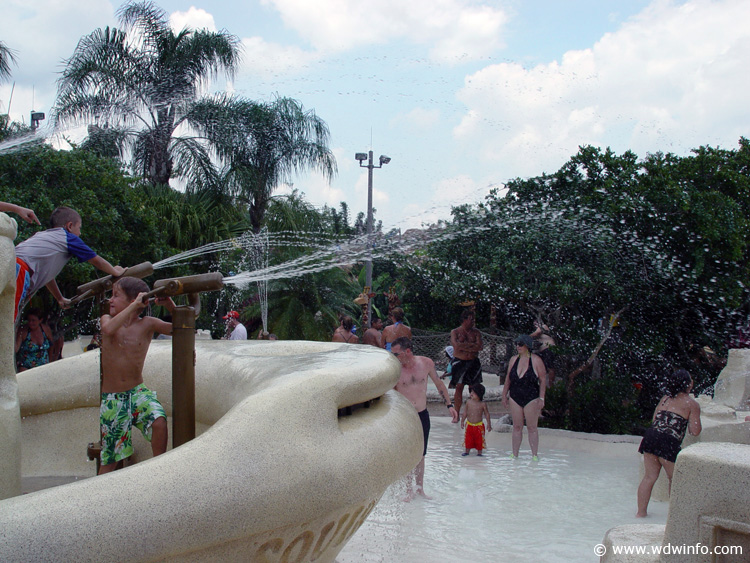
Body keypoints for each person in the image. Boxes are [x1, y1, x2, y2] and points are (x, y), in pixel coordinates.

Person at [99, 277, 175, 474]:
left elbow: (180, 328)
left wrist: (169, 305)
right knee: (110, 459)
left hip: (137, 391)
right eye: (111, 295)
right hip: (113, 399)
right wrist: (132, 308)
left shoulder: (147, 324)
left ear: (134, 301)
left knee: (158, 420)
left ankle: (158, 470)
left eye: (116, 296)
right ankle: (95, 496)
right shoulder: (107, 320)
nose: (110, 300)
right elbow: (108, 330)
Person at [14, 206, 125, 323]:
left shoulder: (42, 236)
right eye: (79, 228)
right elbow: (96, 260)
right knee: (7, 317)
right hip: (19, 269)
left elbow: (47, 276)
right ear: (70, 226)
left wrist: (59, 298)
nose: (80, 233)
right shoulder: (68, 237)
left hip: (10, 262)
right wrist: (115, 271)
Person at [391, 336, 458, 501]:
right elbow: (389, 394)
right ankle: (408, 490)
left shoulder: (426, 363)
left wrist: (449, 405)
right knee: (407, 453)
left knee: (421, 453)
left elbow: (439, 384)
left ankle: (420, 488)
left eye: (396, 354)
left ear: (407, 351)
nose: (394, 358)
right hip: (405, 416)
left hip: (422, 414)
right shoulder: (395, 370)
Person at [636, 369, 702, 517]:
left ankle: (640, 514)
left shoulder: (665, 398)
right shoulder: (691, 404)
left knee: (649, 477)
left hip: (651, 437)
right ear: (688, 384)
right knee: (674, 479)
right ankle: (673, 518)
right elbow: (695, 431)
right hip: (668, 442)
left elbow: (655, 419)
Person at [502, 334, 547, 460]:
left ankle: (534, 455)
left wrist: (542, 398)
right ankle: (515, 453)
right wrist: (504, 395)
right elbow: (508, 379)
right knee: (517, 427)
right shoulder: (513, 360)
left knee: (532, 427)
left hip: (531, 396)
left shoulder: (536, 360)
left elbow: (543, 380)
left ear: (527, 346)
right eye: (517, 344)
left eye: (521, 344)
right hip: (515, 395)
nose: (518, 346)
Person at [449, 310, 484, 417]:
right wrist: (472, 346)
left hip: (473, 362)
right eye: (471, 319)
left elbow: (480, 347)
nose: (473, 321)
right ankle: (457, 414)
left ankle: (473, 413)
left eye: (473, 319)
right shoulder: (455, 332)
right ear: (464, 319)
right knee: (459, 387)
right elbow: (456, 346)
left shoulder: (476, 332)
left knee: (474, 388)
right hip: (460, 362)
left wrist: (464, 346)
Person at [461, 383, 492, 456]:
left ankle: (479, 452)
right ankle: (467, 451)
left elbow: (487, 414)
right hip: (469, 424)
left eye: (474, 393)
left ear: (479, 394)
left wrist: (489, 424)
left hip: (479, 425)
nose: (471, 394)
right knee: (468, 439)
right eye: (471, 392)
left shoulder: (482, 404)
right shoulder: (468, 402)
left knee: (479, 440)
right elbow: (465, 412)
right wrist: (462, 421)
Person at [531, 321, 556, 386]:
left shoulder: (543, 326)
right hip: (544, 351)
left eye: (535, 322)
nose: (534, 324)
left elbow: (537, 333)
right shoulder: (539, 328)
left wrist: (526, 337)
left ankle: (551, 386)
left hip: (548, 349)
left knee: (550, 368)